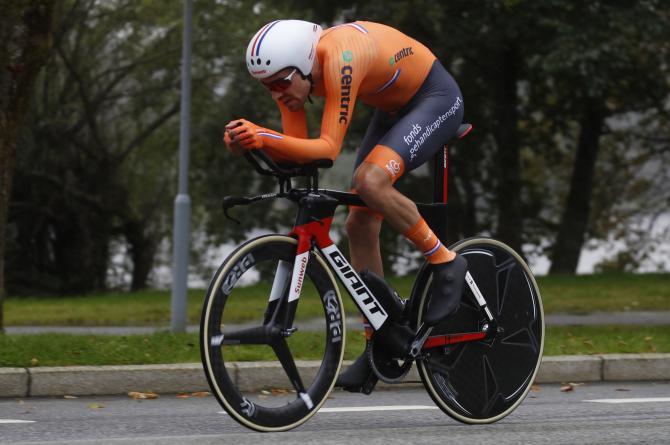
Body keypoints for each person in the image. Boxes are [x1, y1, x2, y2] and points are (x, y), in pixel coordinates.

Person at [224, 19, 468, 392]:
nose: (276, 94)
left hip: (435, 99)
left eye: (280, 82)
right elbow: (299, 153)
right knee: (358, 223)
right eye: (266, 86)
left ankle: (445, 261)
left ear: (305, 64)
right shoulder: (296, 80)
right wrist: (250, 143)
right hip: (392, 110)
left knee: (369, 181)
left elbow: (327, 149)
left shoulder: (341, 58)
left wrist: (262, 135)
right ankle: (381, 342)